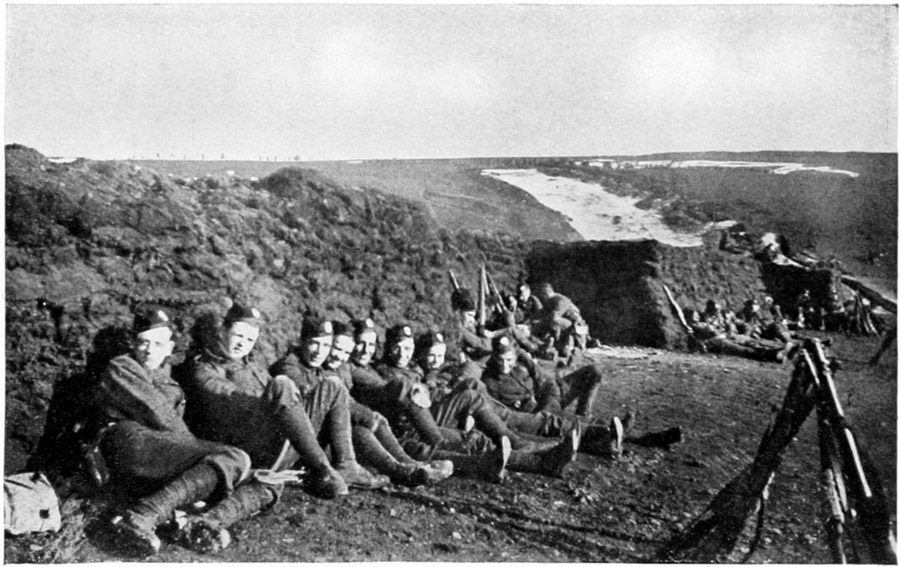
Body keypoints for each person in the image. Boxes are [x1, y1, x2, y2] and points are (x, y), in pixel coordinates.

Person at [91, 305, 251, 556]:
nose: (149, 350)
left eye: (157, 344)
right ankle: (143, 516)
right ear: (133, 343)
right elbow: (155, 411)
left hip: (155, 448)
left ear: (169, 348)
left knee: (237, 464)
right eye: (143, 342)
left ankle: (181, 520)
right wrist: (197, 455)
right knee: (230, 459)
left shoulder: (170, 381)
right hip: (126, 440)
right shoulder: (122, 367)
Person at [377, 324, 580, 478]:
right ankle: (536, 455)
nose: (405, 354)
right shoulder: (384, 372)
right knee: (473, 424)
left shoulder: (413, 368)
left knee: (477, 413)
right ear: (389, 348)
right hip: (414, 426)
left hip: (431, 418)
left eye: (408, 348)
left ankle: (543, 453)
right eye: (399, 348)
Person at [268, 316, 392, 491]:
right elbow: (312, 396)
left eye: (325, 346)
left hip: (307, 443)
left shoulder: (316, 368)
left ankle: (396, 469)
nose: (320, 351)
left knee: (359, 429)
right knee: (333, 386)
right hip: (287, 445)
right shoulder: (288, 366)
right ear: (302, 341)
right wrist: (366, 415)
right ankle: (352, 466)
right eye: (315, 343)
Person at [324, 320, 452, 487]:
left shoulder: (345, 368)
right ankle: (407, 468)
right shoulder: (352, 369)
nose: (366, 350)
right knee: (365, 430)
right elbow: (367, 393)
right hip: (360, 431)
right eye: (361, 344)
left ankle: (411, 466)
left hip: (374, 428)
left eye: (371, 344)